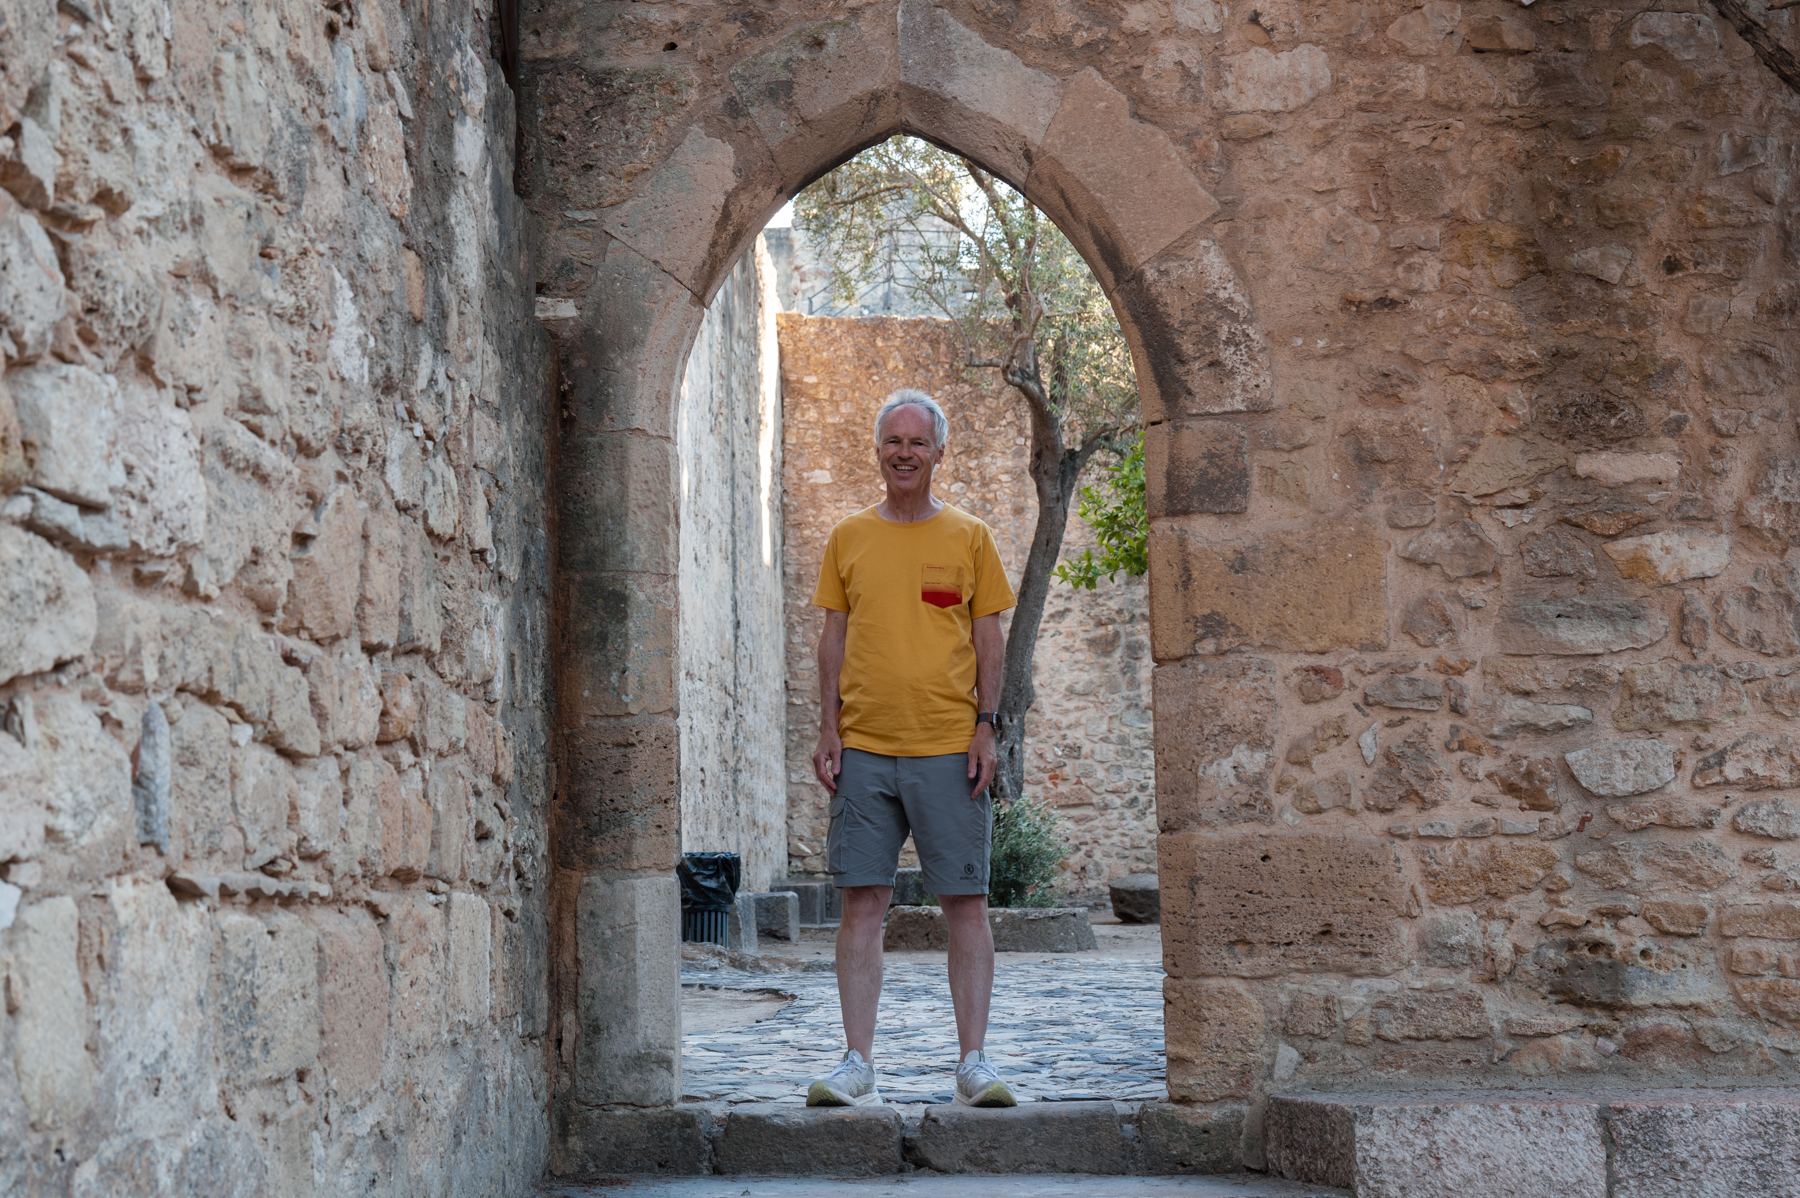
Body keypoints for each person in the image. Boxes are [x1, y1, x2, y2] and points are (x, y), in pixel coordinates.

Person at [804, 387, 1019, 1109]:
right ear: (878, 451)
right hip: (864, 750)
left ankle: (974, 1063)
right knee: (861, 903)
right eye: (893, 441)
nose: (904, 453)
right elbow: (832, 638)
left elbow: (989, 639)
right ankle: (856, 1062)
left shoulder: (969, 537)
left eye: (917, 443)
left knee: (966, 903)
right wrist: (828, 727)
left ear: (938, 453)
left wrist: (987, 724)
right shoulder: (848, 538)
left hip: (949, 750)